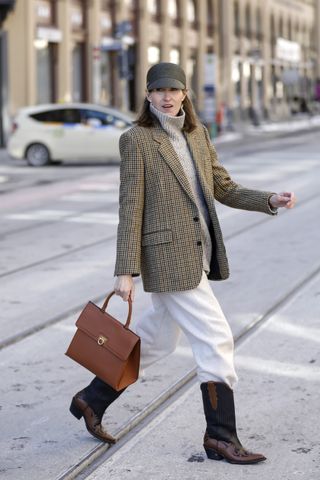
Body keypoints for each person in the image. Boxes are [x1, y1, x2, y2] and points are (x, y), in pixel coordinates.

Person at [70, 62, 296, 464]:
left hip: (198, 253)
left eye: (174, 90)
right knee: (216, 339)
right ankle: (221, 437)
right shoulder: (136, 139)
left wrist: (268, 199)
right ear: (148, 95)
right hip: (169, 258)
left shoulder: (197, 134)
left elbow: (223, 187)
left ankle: (92, 398)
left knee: (157, 341)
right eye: (158, 90)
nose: (167, 96)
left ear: (185, 94)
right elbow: (131, 206)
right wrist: (125, 270)